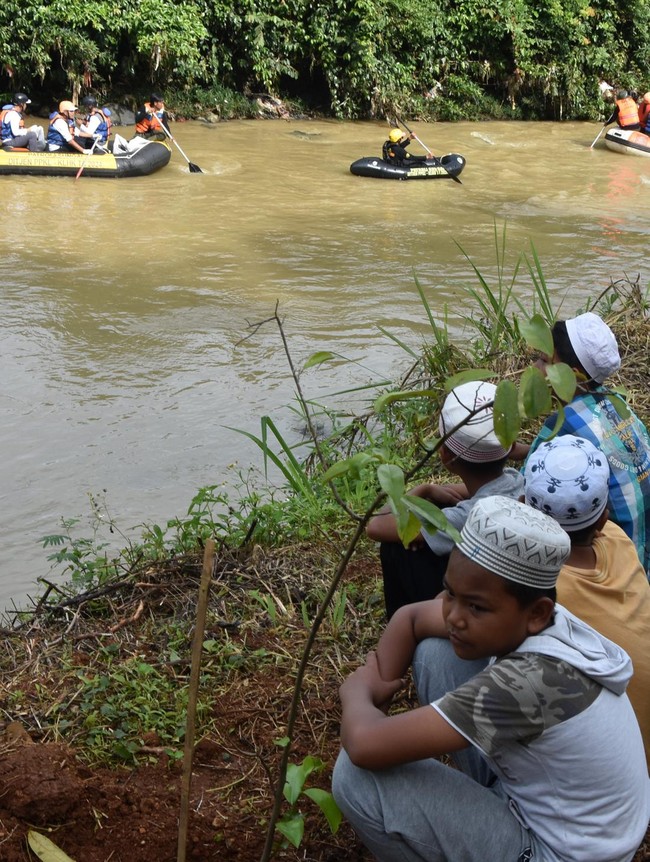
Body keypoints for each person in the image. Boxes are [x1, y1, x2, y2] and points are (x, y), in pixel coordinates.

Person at [332, 496, 649, 862]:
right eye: (450, 593)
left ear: (536, 613)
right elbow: (412, 617)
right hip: (549, 804)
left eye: (476, 606)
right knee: (437, 652)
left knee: (356, 778)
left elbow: (364, 745)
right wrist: (381, 683)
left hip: (555, 851)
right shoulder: (548, 623)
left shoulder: (527, 684)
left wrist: (357, 693)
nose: (455, 616)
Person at [524, 434, 650, 767]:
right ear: (604, 515)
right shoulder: (616, 538)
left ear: (526, 507)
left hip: (622, 759)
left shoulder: (541, 586)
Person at [367, 380, 523, 619]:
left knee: (395, 546)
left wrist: (421, 490)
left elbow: (376, 526)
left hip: (482, 601)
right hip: (504, 582)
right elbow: (467, 491)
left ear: (445, 455)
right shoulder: (515, 479)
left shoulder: (468, 517)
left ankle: (407, 627)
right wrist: (434, 492)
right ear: (510, 446)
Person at [522, 311, 650, 573]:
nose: (535, 368)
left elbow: (526, 490)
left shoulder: (565, 422)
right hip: (641, 552)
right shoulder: (617, 402)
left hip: (612, 560)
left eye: (544, 360)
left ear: (574, 375)